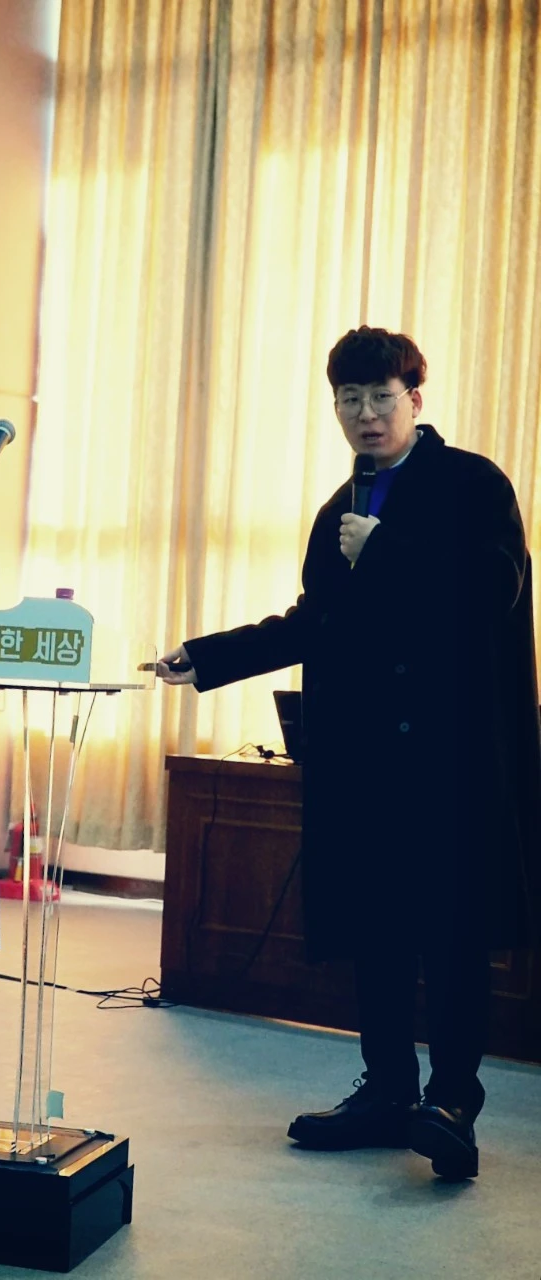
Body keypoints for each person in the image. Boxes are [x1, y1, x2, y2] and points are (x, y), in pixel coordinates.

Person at [158, 326, 541, 1182]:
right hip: (366, 761)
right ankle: (388, 1092)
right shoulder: (340, 506)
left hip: (452, 759)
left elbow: (496, 591)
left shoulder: (474, 483)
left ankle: (453, 1104)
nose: (366, 414)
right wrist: (208, 656)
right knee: (378, 928)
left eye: (381, 397)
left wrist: (388, 552)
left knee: (451, 933)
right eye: (349, 399)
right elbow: (315, 622)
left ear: (416, 399)